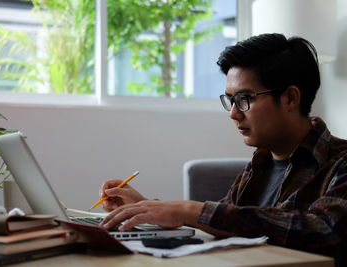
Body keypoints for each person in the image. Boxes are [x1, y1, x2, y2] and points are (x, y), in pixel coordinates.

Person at [98, 33, 347, 265]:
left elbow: (324, 230)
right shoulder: (260, 164)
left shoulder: (340, 163)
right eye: (230, 99)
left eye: (244, 99)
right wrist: (146, 209)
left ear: (291, 99)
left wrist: (188, 209)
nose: (233, 113)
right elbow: (224, 220)